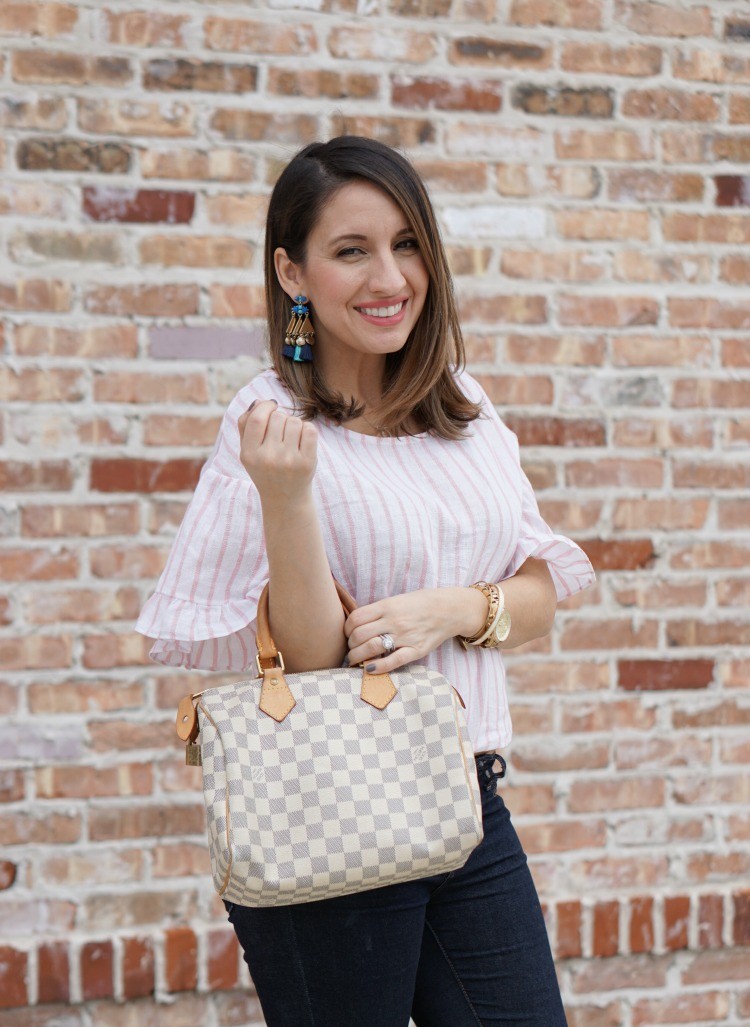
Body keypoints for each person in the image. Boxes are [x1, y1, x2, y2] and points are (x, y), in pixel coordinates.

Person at [136, 135, 595, 1027]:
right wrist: (287, 494)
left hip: (465, 799)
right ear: (293, 272)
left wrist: (460, 608)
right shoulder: (268, 419)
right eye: (352, 250)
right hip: (325, 810)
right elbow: (306, 657)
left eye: (407, 243)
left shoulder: (463, 407)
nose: (390, 276)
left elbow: (541, 589)